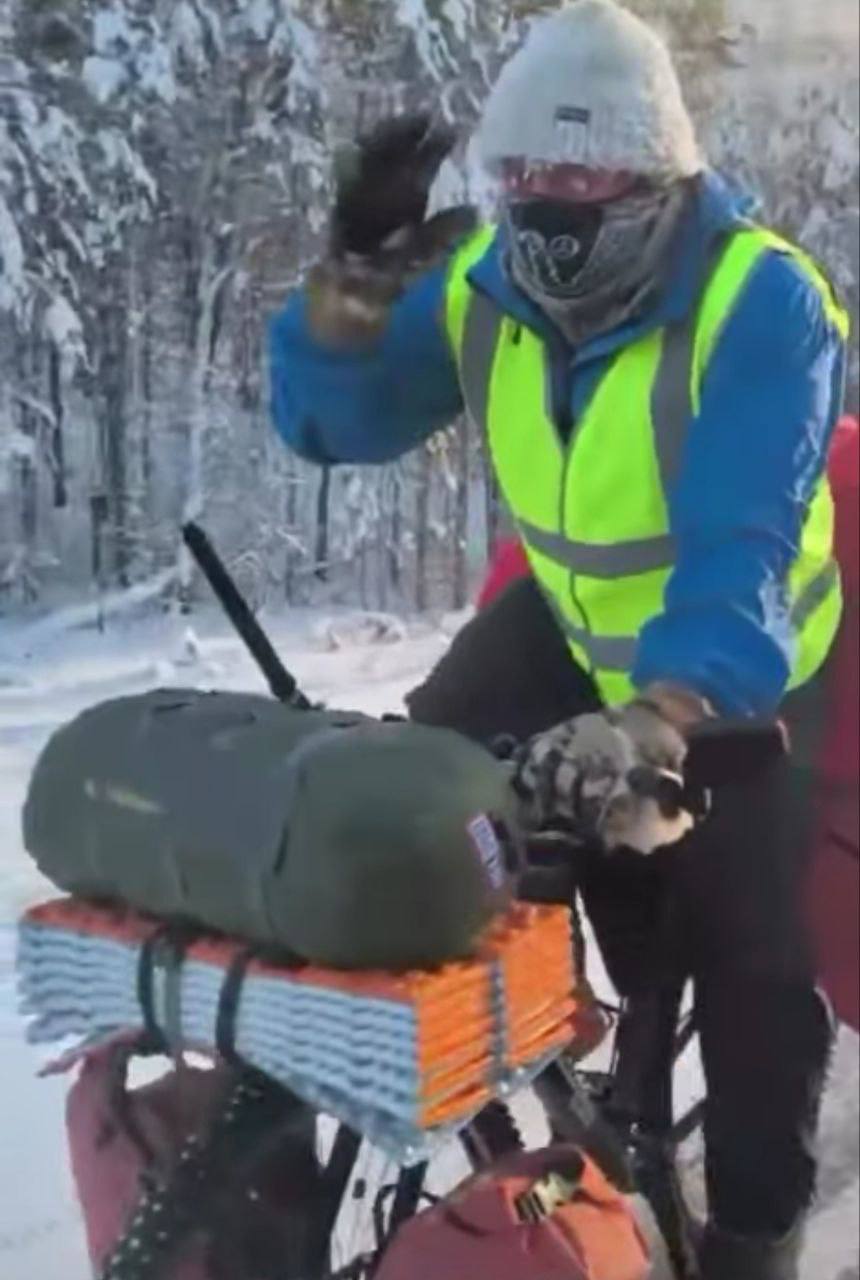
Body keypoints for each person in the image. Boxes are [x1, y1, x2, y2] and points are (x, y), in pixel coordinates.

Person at [267, 3, 850, 1276]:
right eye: (520, 174)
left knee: (753, 969)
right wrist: (355, 288)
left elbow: (740, 543)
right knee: (417, 803)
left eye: (577, 174)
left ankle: (752, 1237)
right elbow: (332, 423)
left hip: (743, 659)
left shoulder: (760, 299)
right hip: (570, 626)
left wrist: (662, 715)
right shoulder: (490, 289)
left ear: (657, 175)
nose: (543, 206)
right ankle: (536, 1028)